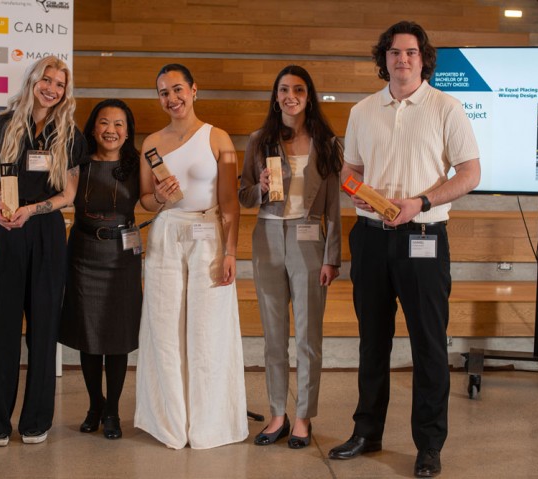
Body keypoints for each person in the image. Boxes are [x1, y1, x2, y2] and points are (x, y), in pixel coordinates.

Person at [327, 21, 480, 478]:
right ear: (384, 59)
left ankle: (429, 446)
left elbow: (470, 173)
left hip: (424, 237)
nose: (403, 60)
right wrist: (353, 189)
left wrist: (421, 202)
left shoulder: (446, 107)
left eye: (411, 53)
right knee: (373, 341)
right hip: (371, 236)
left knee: (428, 346)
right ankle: (366, 432)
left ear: (423, 58)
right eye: (394, 52)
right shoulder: (363, 110)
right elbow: (350, 167)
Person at [134, 63, 248, 449]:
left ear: (194, 90)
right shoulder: (150, 143)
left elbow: (230, 200)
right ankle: (169, 421)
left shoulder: (219, 138)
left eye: (178, 89)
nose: (172, 98)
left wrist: (230, 251)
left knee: (208, 329)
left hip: (209, 235)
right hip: (167, 235)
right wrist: (159, 198)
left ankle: (210, 424)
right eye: (164, 92)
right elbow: (146, 201)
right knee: (163, 330)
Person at [0, 56, 89, 447]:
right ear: (33, 80)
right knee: (1, 327)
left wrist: (32, 209)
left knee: (43, 330)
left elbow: (69, 194)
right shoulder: (2, 125)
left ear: (65, 91)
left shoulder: (69, 134)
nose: (52, 88)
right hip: (7, 229)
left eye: (59, 84)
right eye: (47, 79)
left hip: (45, 231)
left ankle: (36, 420)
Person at [238, 65, 343, 449]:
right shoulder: (259, 140)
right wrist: (260, 189)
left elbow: (333, 206)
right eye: (283, 89)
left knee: (308, 336)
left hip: (309, 239)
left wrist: (333, 257)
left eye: (298, 89)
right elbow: (243, 195)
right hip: (267, 237)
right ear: (276, 95)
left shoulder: (327, 144)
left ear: (308, 96)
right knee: (273, 335)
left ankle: (303, 418)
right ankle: (277, 413)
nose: (290, 95)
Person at [59, 99, 142, 440]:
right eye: (104, 123)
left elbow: (150, 200)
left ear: (127, 132)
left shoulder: (138, 164)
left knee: (117, 336)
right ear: (93, 128)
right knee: (89, 334)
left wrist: (165, 198)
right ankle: (95, 404)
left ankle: (112, 411)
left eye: (119, 124)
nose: (111, 130)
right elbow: (63, 196)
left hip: (123, 255)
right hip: (83, 252)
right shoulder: (78, 162)